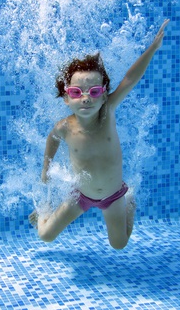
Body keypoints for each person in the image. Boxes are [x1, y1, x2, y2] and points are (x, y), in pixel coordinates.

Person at [29, 19, 170, 249]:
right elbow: (51, 140)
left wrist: (152, 49)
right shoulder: (64, 127)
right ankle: (43, 212)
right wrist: (46, 169)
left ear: (104, 95)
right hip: (80, 196)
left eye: (94, 91)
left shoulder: (108, 112)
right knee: (45, 235)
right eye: (76, 92)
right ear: (66, 98)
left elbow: (129, 79)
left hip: (113, 195)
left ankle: (129, 202)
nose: (86, 98)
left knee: (119, 244)